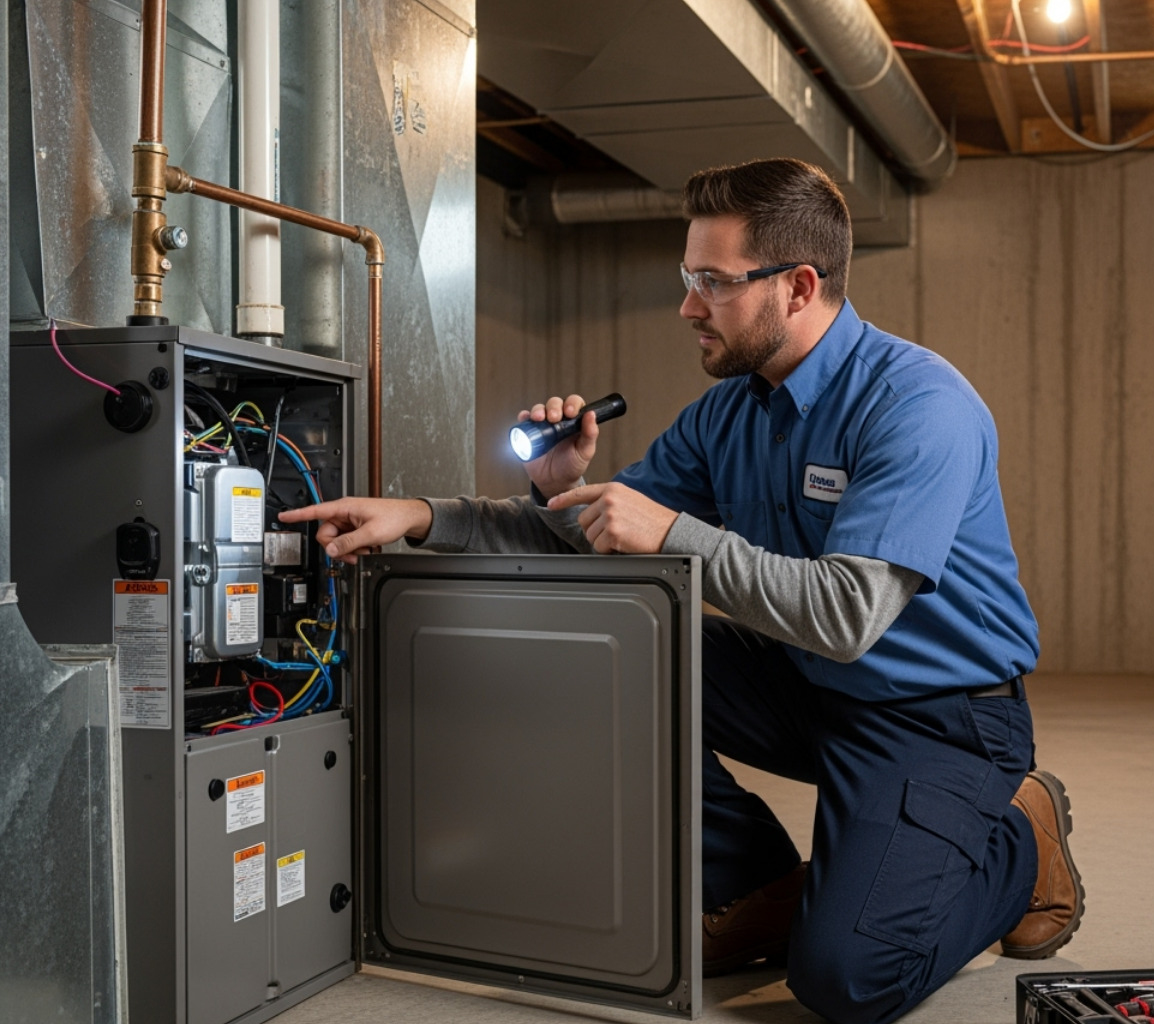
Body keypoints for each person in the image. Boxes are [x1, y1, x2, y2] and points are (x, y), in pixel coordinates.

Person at [279, 157, 1084, 1024]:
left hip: (942, 714)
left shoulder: (917, 404)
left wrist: (672, 532)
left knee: (848, 980)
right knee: (592, 647)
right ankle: (754, 883)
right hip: (808, 684)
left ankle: (1017, 841)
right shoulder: (730, 412)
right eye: (685, 276)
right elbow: (602, 533)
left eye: (711, 281)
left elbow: (849, 615)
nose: (687, 306)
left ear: (799, 285)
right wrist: (452, 509)